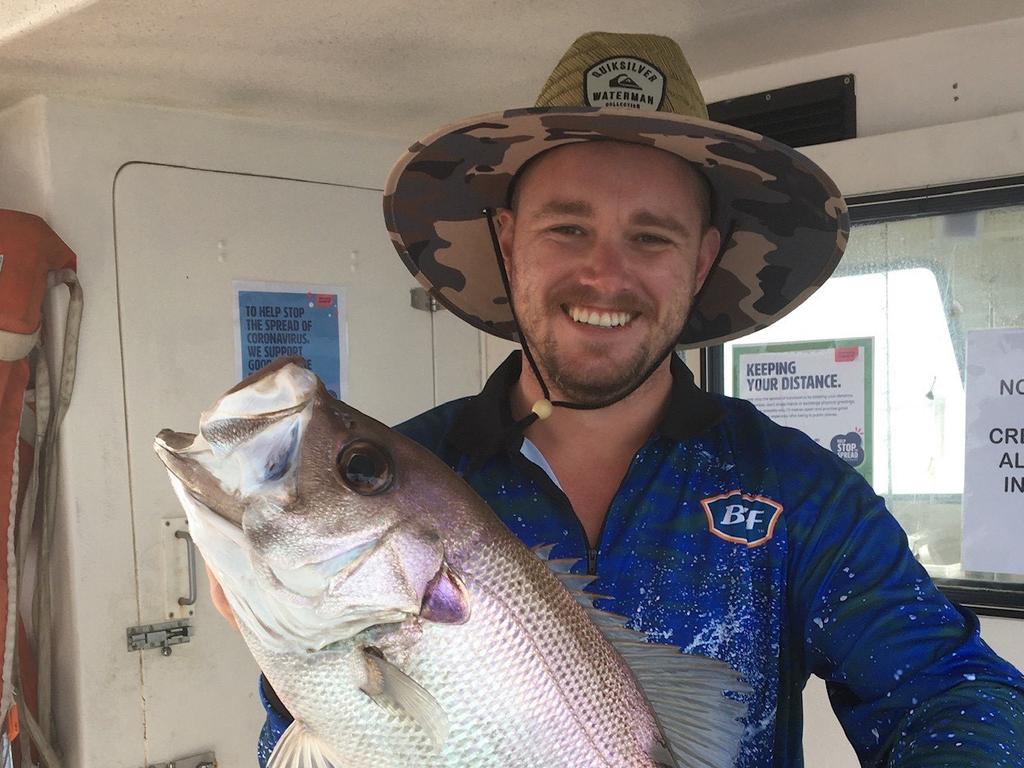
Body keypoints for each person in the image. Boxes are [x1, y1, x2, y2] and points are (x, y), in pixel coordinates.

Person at [217, 32, 1024, 766]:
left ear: (703, 259)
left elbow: (956, 693)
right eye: (567, 228)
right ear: (507, 241)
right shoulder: (413, 475)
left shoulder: (798, 494)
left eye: (651, 237)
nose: (605, 276)